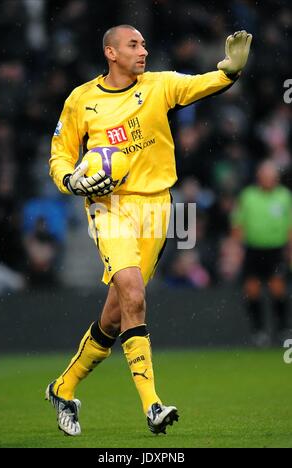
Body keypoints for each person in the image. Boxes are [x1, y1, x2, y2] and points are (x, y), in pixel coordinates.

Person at [46, 25, 252, 436]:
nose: (143, 51)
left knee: (116, 314)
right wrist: (70, 181)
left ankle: (62, 388)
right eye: (133, 45)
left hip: (158, 208)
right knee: (135, 297)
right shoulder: (81, 100)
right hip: (111, 208)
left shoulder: (159, 86)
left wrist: (230, 70)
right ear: (111, 52)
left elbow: (200, 84)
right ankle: (153, 406)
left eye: (143, 44)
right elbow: (61, 155)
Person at [231, 160, 292, 347]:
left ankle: (282, 329)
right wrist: (237, 249)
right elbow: (238, 223)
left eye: (272, 177)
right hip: (253, 250)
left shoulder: (285, 196)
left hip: (276, 250)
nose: (269, 180)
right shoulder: (248, 196)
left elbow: (290, 225)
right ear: (259, 178)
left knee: (278, 288)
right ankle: (259, 331)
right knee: (252, 290)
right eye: (266, 177)